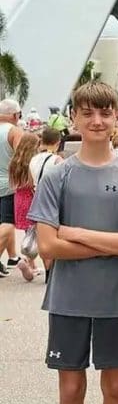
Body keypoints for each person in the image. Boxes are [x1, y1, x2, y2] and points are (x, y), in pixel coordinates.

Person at [28, 81, 118, 404]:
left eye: (104, 112)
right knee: (70, 388)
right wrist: (111, 244)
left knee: (115, 387)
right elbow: (48, 247)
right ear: (74, 118)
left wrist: (76, 233)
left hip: (117, 298)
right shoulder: (57, 176)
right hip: (68, 298)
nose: (97, 120)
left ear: (116, 117)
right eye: (87, 113)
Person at [29, 127, 64, 282]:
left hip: (38, 199)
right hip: (54, 199)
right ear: (58, 142)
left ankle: (48, 270)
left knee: (43, 236)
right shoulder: (58, 160)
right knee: (57, 236)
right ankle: (54, 272)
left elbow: (30, 182)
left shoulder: (33, 159)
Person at [9, 132, 42, 281]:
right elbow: (32, 183)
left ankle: (31, 265)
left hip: (19, 198)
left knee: (28, 232)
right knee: (37, 233)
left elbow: (13, 183)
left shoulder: (14, 162)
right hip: (31, 197)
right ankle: (28, 261)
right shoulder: (32, 162)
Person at [0, 99, 25, 277]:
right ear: (15, 115)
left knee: (3, 223)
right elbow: (21, 159)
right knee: (8, 223)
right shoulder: (14, 132)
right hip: (8, 185)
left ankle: (12, 256)